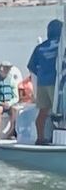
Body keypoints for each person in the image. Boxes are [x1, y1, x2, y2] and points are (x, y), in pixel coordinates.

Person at [28, 18, 61, 146]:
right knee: (61, 111)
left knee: (43, 112)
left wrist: (42, 75)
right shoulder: (61, 45)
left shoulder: (39, 48)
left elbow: (31, 66)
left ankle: (40, 138)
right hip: (56, 84)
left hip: (42, 84)